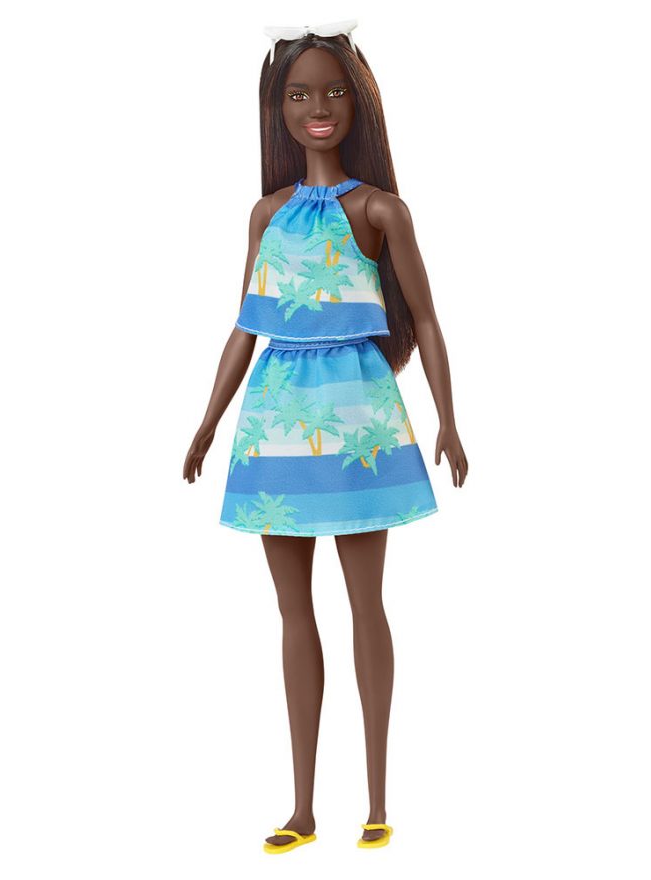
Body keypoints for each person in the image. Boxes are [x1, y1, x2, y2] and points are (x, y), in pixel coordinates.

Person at [183, 23, 468, 852]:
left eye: (335, 91)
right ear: (277, 109)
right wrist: (207, 421)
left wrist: (449, 418)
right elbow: (246, 325)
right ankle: (303, 808)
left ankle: (376, 801)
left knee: (365, 603)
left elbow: (426, 318)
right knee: (292, 612)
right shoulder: (267, 215)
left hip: (358, 427)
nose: (319, 107)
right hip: (274, 426)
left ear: (359, 104)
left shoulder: (379, 210)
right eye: (300, 93)